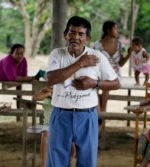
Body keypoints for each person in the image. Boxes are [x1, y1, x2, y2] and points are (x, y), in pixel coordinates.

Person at [46, 16, 120, 167]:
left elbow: (116, 83)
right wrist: (80, 63)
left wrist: (95, 83)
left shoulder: (97, 56)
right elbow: (52, 79)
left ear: (88, 38)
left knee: (87, 160)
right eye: (72, 33)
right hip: (60, 115)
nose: (76, 37)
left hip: (87, 116)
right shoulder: (57, 54)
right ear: (65, 34)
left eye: (81, 34)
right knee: (56, 160)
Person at [93, 20, 131, 126]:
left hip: (114, 74)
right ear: (108, 30)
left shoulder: (120, 45)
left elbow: (121, 64)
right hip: (100, 72)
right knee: (94, 84)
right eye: (115, 29)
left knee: (108, 82)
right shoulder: (97, 45)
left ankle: (101, 112)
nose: (117, 31)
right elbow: (94, 63)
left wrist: (129, 54)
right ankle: (100, 112)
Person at [33, 86, 76, 167]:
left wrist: (54, 93)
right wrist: (48, 93)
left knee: (72, 143)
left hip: (63, 123)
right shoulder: (45, 90)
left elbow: (70, 103)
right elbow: (35, 98)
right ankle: (44, 165)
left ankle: (67, 163)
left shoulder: (65, 90)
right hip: (48, 124)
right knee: (45, 135)